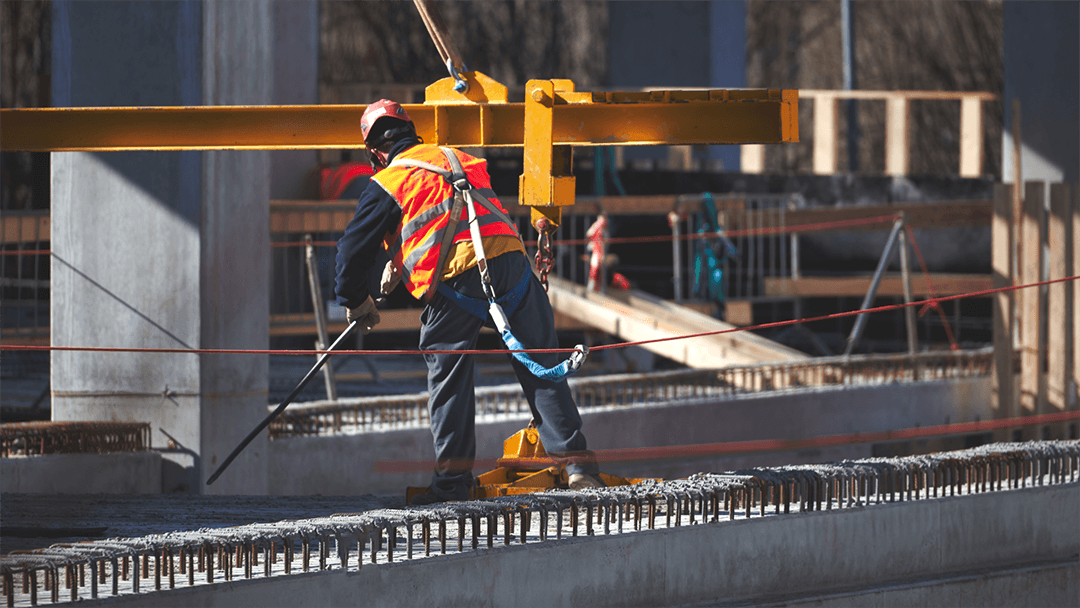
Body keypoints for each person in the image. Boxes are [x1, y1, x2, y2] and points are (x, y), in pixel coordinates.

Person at [335, 99, 604, 504]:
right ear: (411, 133)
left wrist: (355, 300)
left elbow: (351, 252)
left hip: (457, 280)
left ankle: (452, 485)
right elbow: (453, 211)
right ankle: (579, 468)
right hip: (512, 264)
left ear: (374, 151)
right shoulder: (458, 158)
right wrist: (398, 255)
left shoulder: (388, 181)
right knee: (543, 364)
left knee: (449, 378)